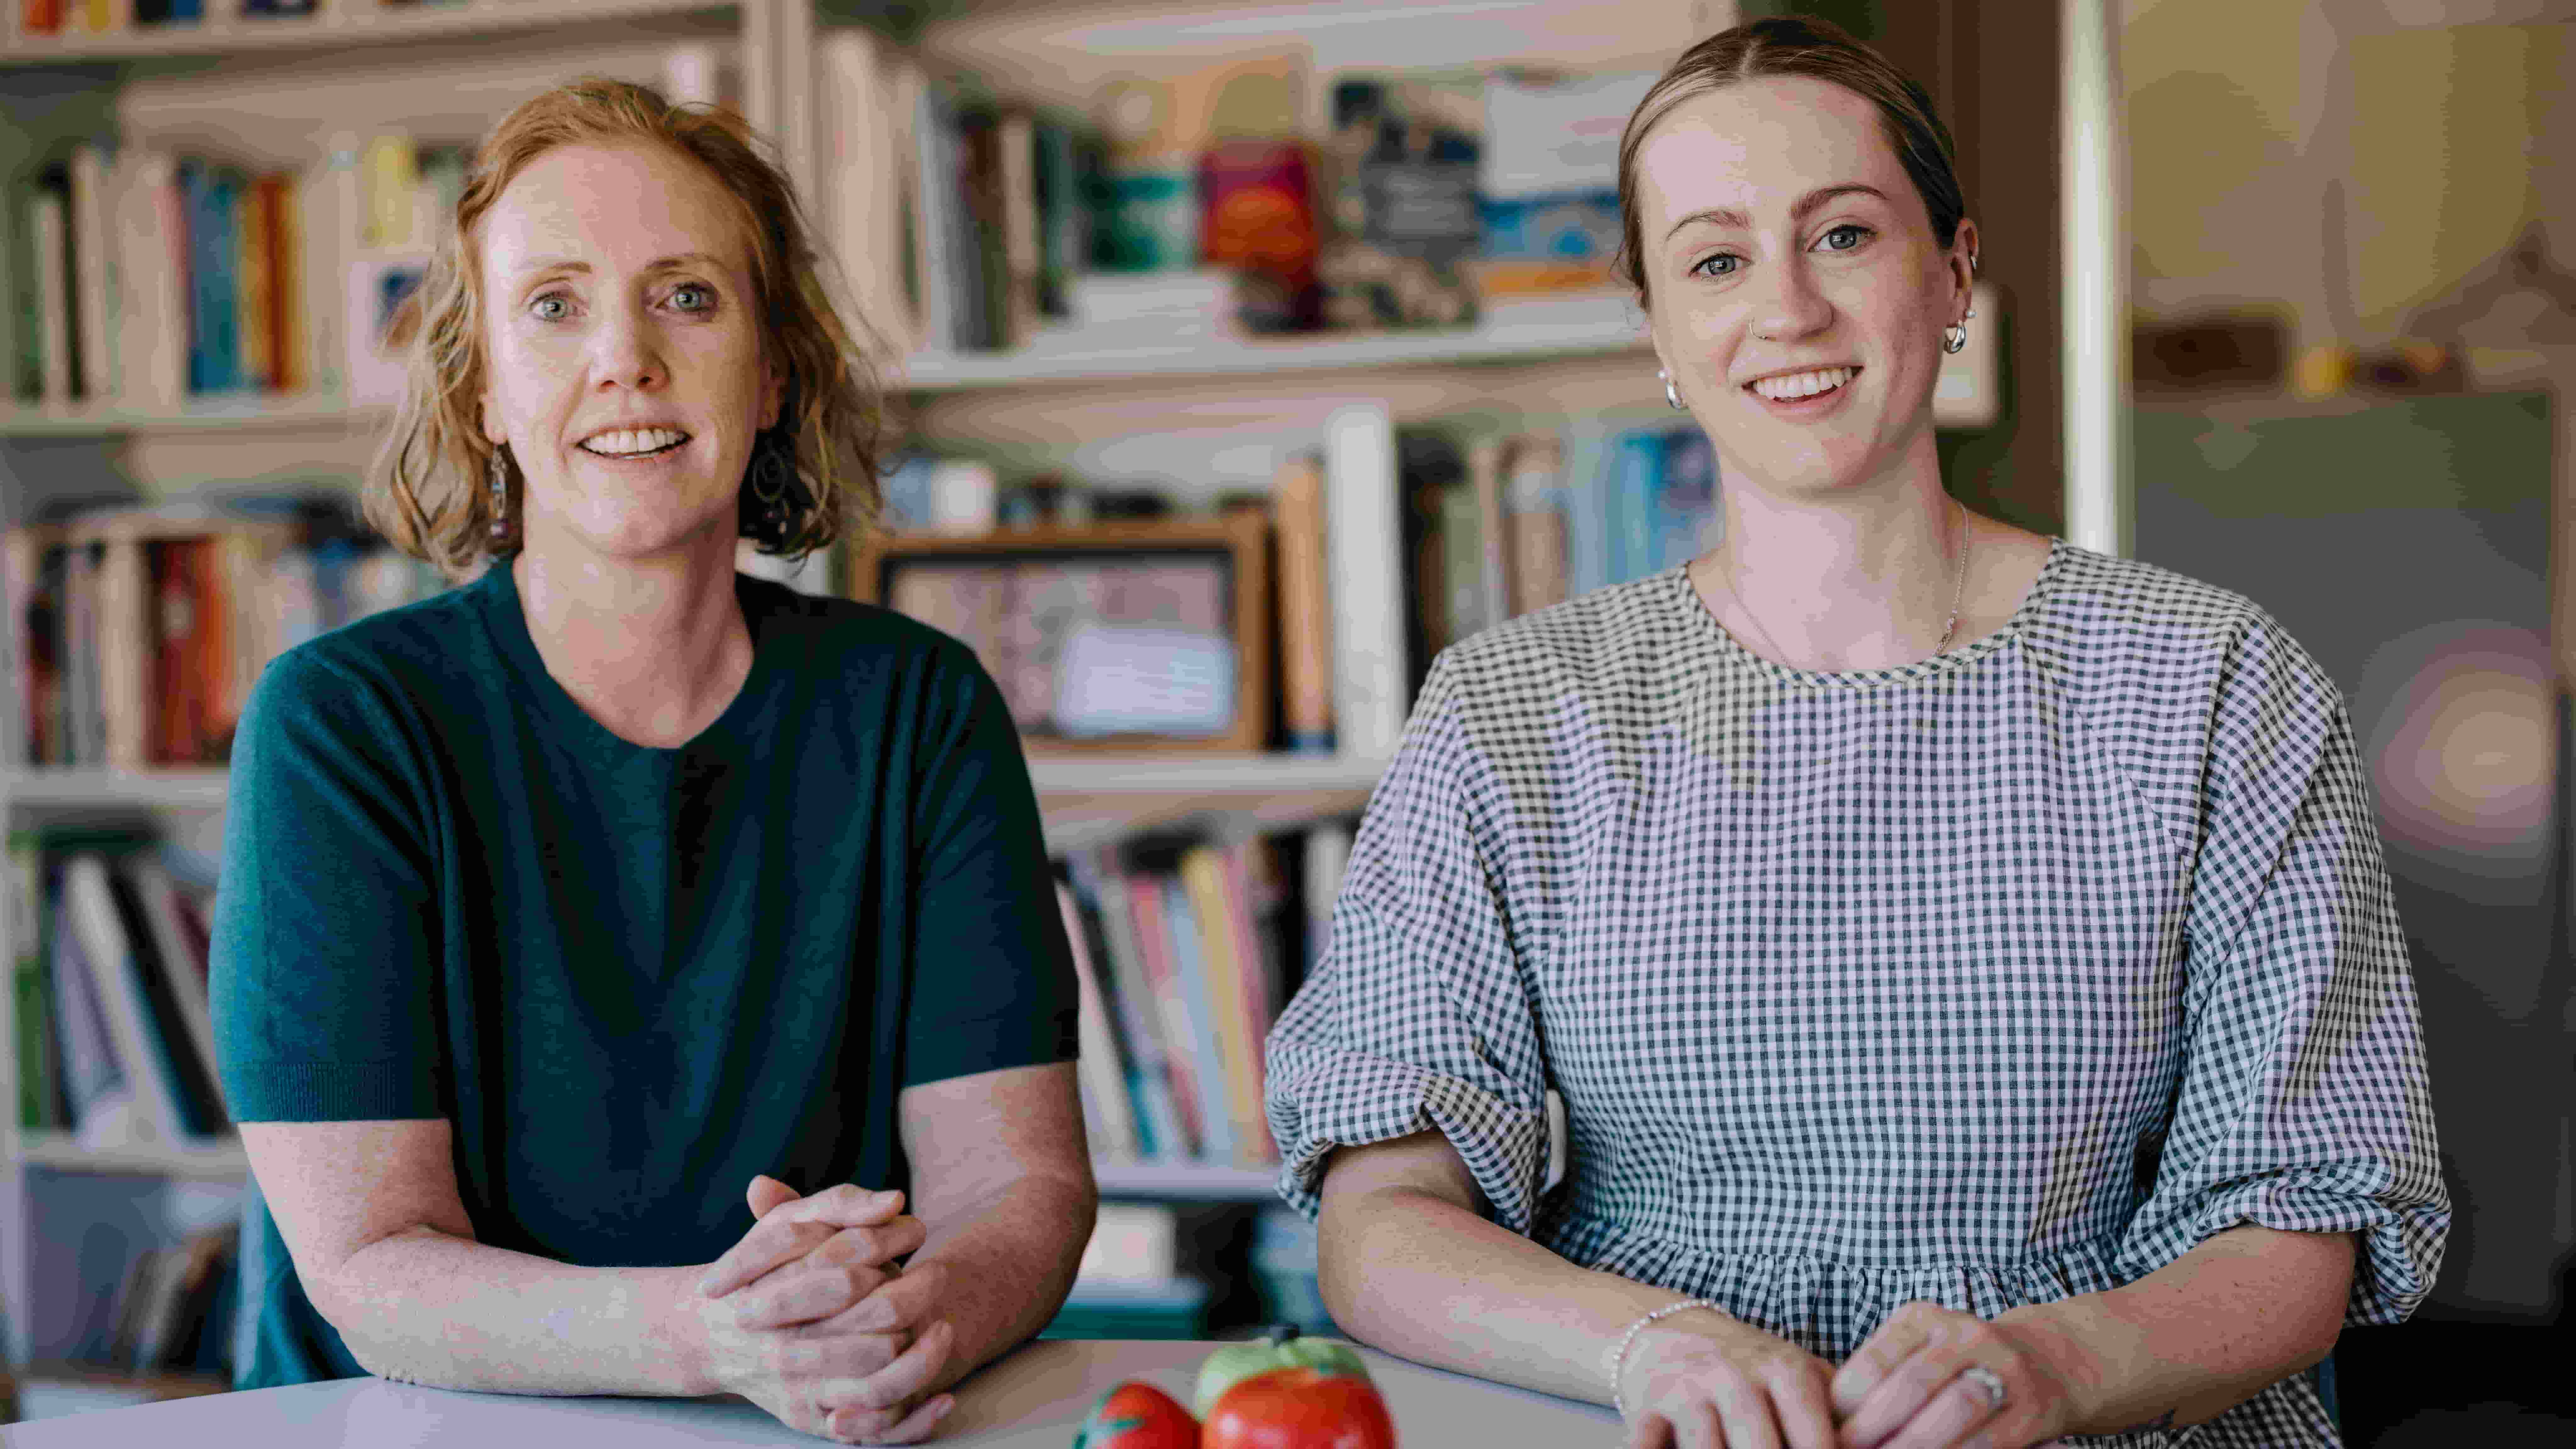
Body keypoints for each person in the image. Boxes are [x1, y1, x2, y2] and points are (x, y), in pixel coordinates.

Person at [1265, 18, 2445, 1449]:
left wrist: (2060, 1368)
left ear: (1950, 271)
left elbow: (2300, 1224)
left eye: (1841, 237)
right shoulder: (1513, 711)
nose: (1785, 312)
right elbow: (1381, 1215)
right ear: (1655, 327)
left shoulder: (2211, 680)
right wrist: (1649, 1344)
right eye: (1713, 260)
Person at [210, 78, 1094, 1446]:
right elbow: (371, 1266)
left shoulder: (919, 705)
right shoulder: (342, 721)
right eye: (553, 308)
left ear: (775, 369)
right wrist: (714, 1334)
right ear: (486, 389)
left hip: (817, 1421)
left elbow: (1017, 1189)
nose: (625, 358)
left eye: (687, 296)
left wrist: (906, 1330)